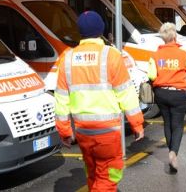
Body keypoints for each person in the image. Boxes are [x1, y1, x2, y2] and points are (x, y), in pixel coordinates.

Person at [54, 11, 144, 191]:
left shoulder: (67, 58)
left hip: (83, 132)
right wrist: (137, 125)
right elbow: (127, 94)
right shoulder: (111, 55)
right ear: (101, 30)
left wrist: (64, 131)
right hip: (108, 132)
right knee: (108, 178)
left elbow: (61, 100)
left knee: (93, 174)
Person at [147, 22, 186, 172]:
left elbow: (151, 75)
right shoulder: (183, 54)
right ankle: (174, 153)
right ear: (175, 36)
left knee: (167, 123)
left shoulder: (155, 55)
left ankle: (170, 151)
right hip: (177, 93)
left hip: (161, 93)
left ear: (163, 38)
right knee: (177, 125)